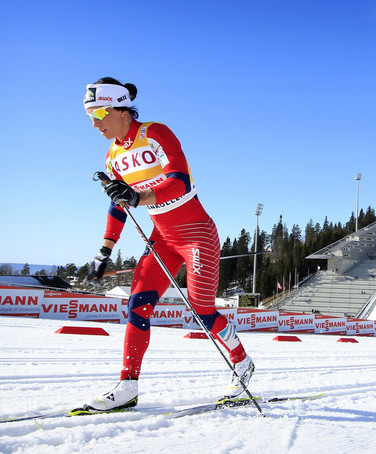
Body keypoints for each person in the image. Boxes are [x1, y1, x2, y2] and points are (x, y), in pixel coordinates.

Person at [78, 78, 254, 413]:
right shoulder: (112, 157)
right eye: (89, 117)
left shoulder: (155, 133)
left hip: (196, 234)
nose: (95, 123)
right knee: (137, 306)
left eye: (99, 113)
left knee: (202, 310)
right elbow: (120, 205)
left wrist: (137, 195)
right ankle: (128, 385)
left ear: (121, 107)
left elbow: (179, 182)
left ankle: (242, 362)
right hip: (163, 239)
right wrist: (105, 249)